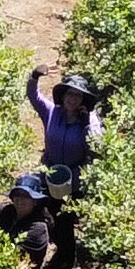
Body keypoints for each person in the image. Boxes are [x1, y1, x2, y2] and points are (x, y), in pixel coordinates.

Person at [24, 67, 102, 198]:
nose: (73, 99)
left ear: (83, 99)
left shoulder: (90, 119)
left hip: (76, 178)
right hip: (49, 171)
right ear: (63, 95)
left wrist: (86, 126)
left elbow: (97, 151)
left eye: (78, 95)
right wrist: (34, 76)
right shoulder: (51, 112)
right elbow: (34, 96)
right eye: (70, 94)